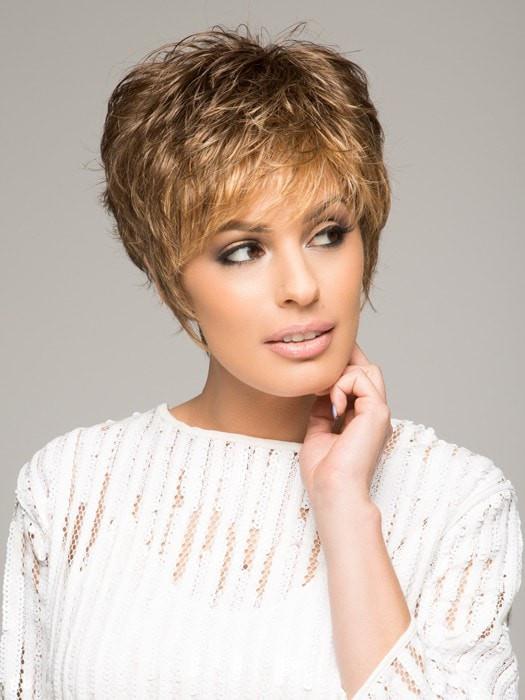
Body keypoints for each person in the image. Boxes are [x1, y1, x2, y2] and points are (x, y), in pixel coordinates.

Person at [0, 22, 522, 700]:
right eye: (243, 250)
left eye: (327, 234)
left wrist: (344, 508)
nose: (301, 286)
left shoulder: (457, 501)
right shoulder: (71, 486)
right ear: (170, 279)